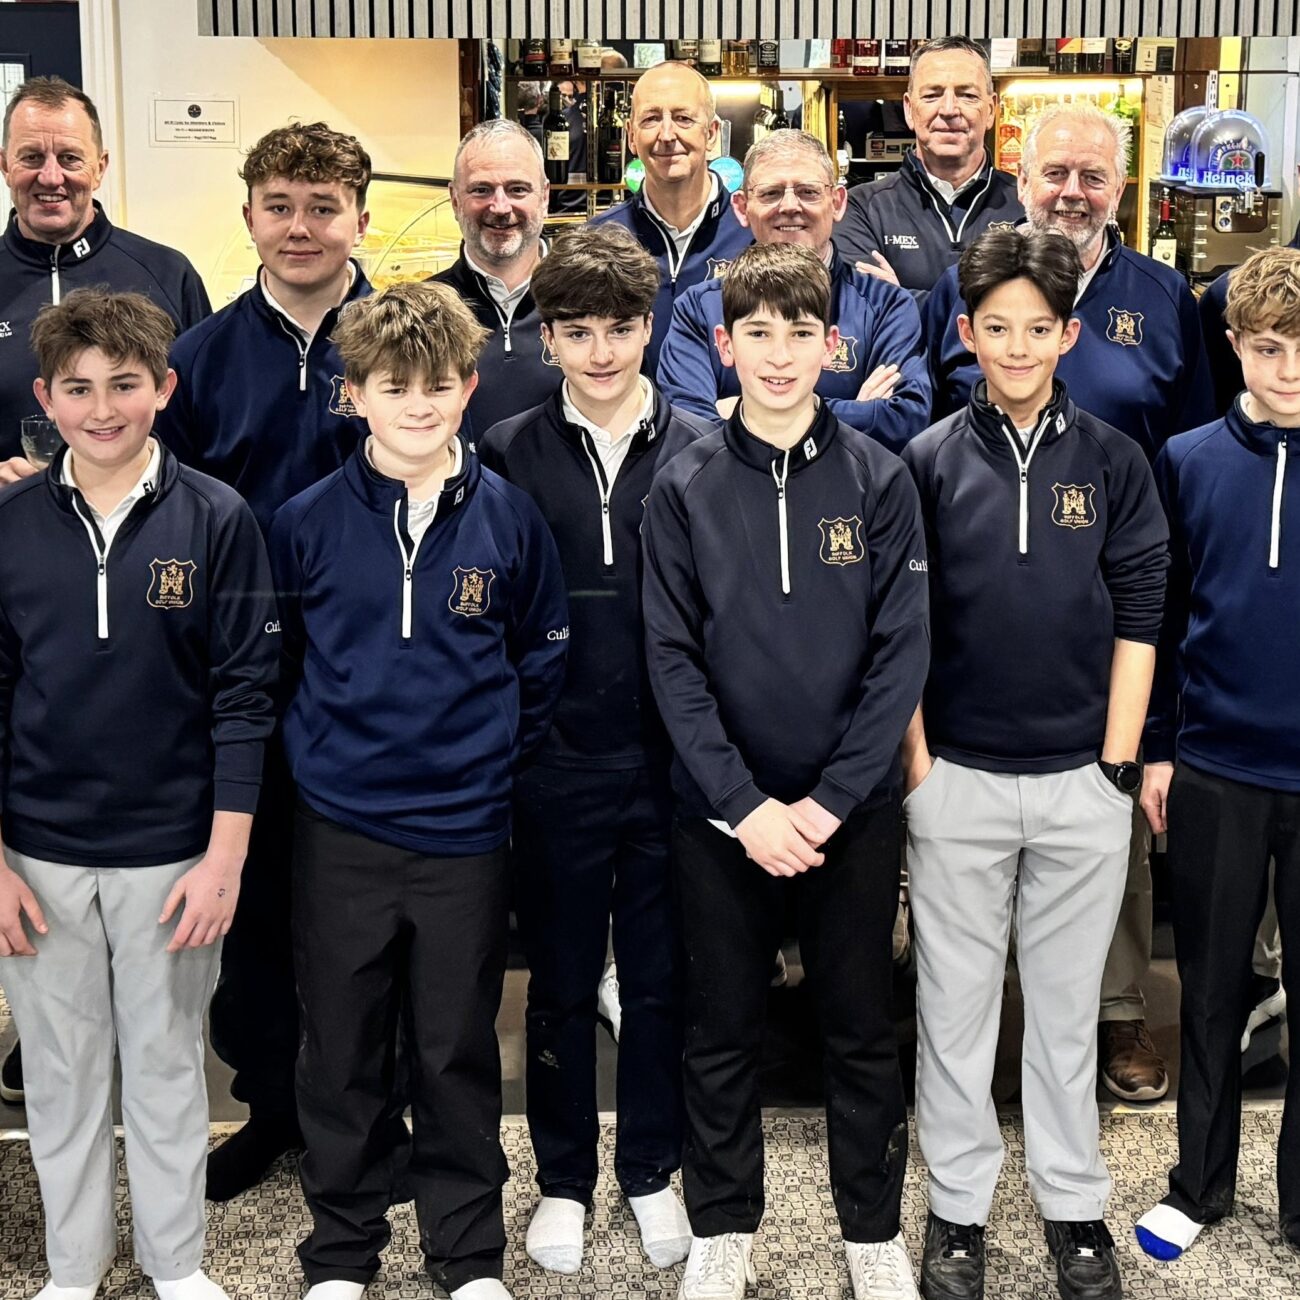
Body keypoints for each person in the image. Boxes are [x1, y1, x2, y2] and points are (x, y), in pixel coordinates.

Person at [269, 280, 569, 1300]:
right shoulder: (303, 522)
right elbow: (284, 666)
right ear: (353, 393)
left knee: (454, 1049)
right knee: (340, 1050)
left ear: (469, 387)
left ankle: (467, 1254)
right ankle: (341, 1254)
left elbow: (540, 660)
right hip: (341, 831)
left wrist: (486, 760)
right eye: (394, 387)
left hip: (464, 834)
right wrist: (324, 760)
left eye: (438, 385)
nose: (418, 405)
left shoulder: (510, 521)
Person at [643, 240, 929, 1300]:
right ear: (722, 346)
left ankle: (871, 1231)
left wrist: (830, 799)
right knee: (721, 1027)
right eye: (755, 333)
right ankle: (723, 1225)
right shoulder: (683, 482)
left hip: (850, 812)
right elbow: (670, 657)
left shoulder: (879, 478)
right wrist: (744, 804)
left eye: (798, 333)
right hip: (721, 816)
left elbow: (901, 651)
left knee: (860, 1027)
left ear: (830, 345)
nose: (776, 354)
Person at [923, 105, 1213, 1101]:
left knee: (1107, 820)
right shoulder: (962, 283)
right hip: (978, 617)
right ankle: (978, 1022)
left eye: (1094, 175)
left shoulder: (1165, 298)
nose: (1072, 192)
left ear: (1120, 186)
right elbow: (932, 430)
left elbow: (1192, 450)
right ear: (1022, 176)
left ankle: (1117, 1009)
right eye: (1055, 172)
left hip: (1115, 605)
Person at [901, 228, 1168, 1300]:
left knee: (1064, 1016)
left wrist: (1116, 766)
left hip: (1079, 783)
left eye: (1038, 329)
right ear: (967, 336)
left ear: (1069, 334)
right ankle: (956, 1209)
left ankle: (1073, 1205)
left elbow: (1141, 614)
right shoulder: (925, 461)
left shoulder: (1113, 460)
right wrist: (918, 765)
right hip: (956, 780)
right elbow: (901, 627)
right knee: (954, 1013)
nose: (1017, 349)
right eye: (996, 329)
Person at [0, 288, 278, 1300]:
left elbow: (246, 696)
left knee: (165, 1066)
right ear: (45, 399)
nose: (102, 408)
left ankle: (176, 1263)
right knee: (63, 1072)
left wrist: (224, 858)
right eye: (78, 389)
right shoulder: (9, 524)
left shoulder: (218, 518)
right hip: (38, 855)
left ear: (164, 387)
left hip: (174, 852)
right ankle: (73, 1271)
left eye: (124, 384)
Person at [154, 120, 375, 1200]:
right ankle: (270, 1107)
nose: (301, 228)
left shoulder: (401, 341)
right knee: (252, 909)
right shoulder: (196, 359)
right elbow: (169, 515)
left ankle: (366, 1109)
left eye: (324, 208)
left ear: (360, 221)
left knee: (362, 910)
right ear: (248, 215)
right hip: (240, 677)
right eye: (280, 206)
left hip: (373, 676)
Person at [479, 224, 704, 1279]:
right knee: (562, 984)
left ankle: (651, 1168)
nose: (601, 351)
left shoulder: (702, 444)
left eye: (619, 328)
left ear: (650, 327)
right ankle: (563, 1179)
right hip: (554, 762)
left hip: (670, 763)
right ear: (548, 337)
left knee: (659, 982)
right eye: (577, 332)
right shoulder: (503, 449)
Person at [1134, 245, 1300, 1263]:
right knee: (1208, 987)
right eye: (1270, 347)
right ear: (1235, 344)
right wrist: (1156, 748)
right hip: (1213, 766)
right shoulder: (1187, 458)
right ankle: (1197, 1184)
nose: (1290, 369)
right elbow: (1157, 614)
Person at [657, 129, 930, 452]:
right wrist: (854, 413)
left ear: (837, 202)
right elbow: (688, 428)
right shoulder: (700, 309)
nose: (789, 206)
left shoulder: (887, 306)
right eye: (771, 193)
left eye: (808, 192)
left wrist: (743, 410)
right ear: (742, 208)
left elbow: (903, 419)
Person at [0, 77, 209, 480]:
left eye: (70, 158)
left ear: (100, 167)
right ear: (6, 165)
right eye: (32, 157)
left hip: (148, 515)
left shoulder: (169, 274)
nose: (50, 177)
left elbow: (205, 418)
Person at [591, 61, 752, 373]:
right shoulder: (598, 240)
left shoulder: (752, 232)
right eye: (651, 119)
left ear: (712, 133)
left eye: (683, 118)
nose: (666, 135)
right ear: (631, 136)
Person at [834, 37, 1023, 301]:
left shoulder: (1028, 206)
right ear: (909, 109)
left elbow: (1041, 310)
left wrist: (900, 299)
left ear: (991, 110)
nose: (948, 110)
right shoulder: (860, 208)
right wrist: (992, 306)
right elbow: (869, 308)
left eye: (967, 95)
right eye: (932, 95)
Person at [430, 119, 561, 435]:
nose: (500, 207)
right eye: (481, 190)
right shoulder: (423, 312)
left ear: (544, 197)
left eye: (517, 189)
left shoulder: (587, 299)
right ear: (455, 199)